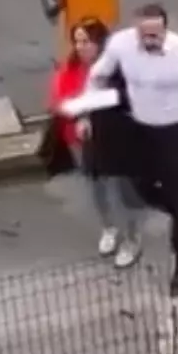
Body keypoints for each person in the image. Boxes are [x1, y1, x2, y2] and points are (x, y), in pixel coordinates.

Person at [89, 1, 178, 297]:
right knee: (141, 189)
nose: (149, 40)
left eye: (155, 35)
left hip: (174, 132)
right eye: (144, 35)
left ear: (165, 30)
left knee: (177, 197)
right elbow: (98, 73)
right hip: (140, 129)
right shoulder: (122, 45)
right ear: (136, 30)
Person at [48, 18, 143, 269]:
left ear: (99, 43)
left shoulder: (118, 69)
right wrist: (79, 118)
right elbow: (61, 98)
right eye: (77, 41)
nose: (80, 47)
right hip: (88, 141)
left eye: (86, 41)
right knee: (96, 186)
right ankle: (109, 228)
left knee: (125, 192)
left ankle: (132, 240)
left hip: (119, 139)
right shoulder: (71, 69)